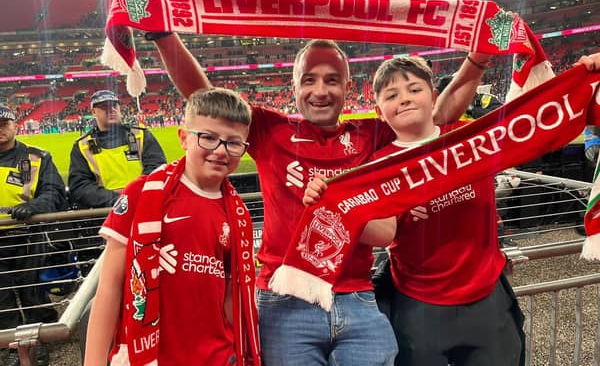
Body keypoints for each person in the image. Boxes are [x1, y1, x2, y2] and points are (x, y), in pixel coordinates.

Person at [146, 26, 491, 363]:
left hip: (358, 297)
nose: (320, 90)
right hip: (284, 300)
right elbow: (205, 98)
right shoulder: (270, 130)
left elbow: (436, 118)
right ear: (294, 86)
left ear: (347, 87)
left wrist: (476, 60)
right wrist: (163, 34)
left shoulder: (373, 134)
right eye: (309, 79)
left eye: (331, 80)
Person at [304, 54, 600, 366]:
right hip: (419, 306)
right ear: (380, 111)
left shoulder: (474, 136)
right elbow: (385, 232)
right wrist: (338, 208)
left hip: (486, 298)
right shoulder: (380, 164)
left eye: (414, 89)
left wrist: (584, 77)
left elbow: (546, 119)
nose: (404, 99)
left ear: (433, 97)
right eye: (392, 95)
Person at [84, 88, 260, 365]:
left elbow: (230, 295)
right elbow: (109, 288)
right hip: (153, 356)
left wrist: (238, 352)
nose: (220, 150)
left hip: (217, 357)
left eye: (233, 143)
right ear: (183, 138)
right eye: (208, 138)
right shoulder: (142, 194)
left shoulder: (239, 215)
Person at [0, 104, 67, 366]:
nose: (0, 129)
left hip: (27, 237)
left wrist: (33, 208)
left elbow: (54, 191)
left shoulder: (38, 157)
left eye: (4, 123)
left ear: (16, 125)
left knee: (33, 292)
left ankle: (40, 339)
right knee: (1, 295)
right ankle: (12, 345)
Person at [68, 89, 166, 209]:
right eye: (104, 106)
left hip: (145, 204)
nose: (111, 110)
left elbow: (157, 169)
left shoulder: (141, 135)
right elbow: (80, 187)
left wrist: (134, 195)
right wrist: (117, 200)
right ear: (94, 111)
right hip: (105, 213)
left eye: (114, 105)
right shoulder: (82, 146)